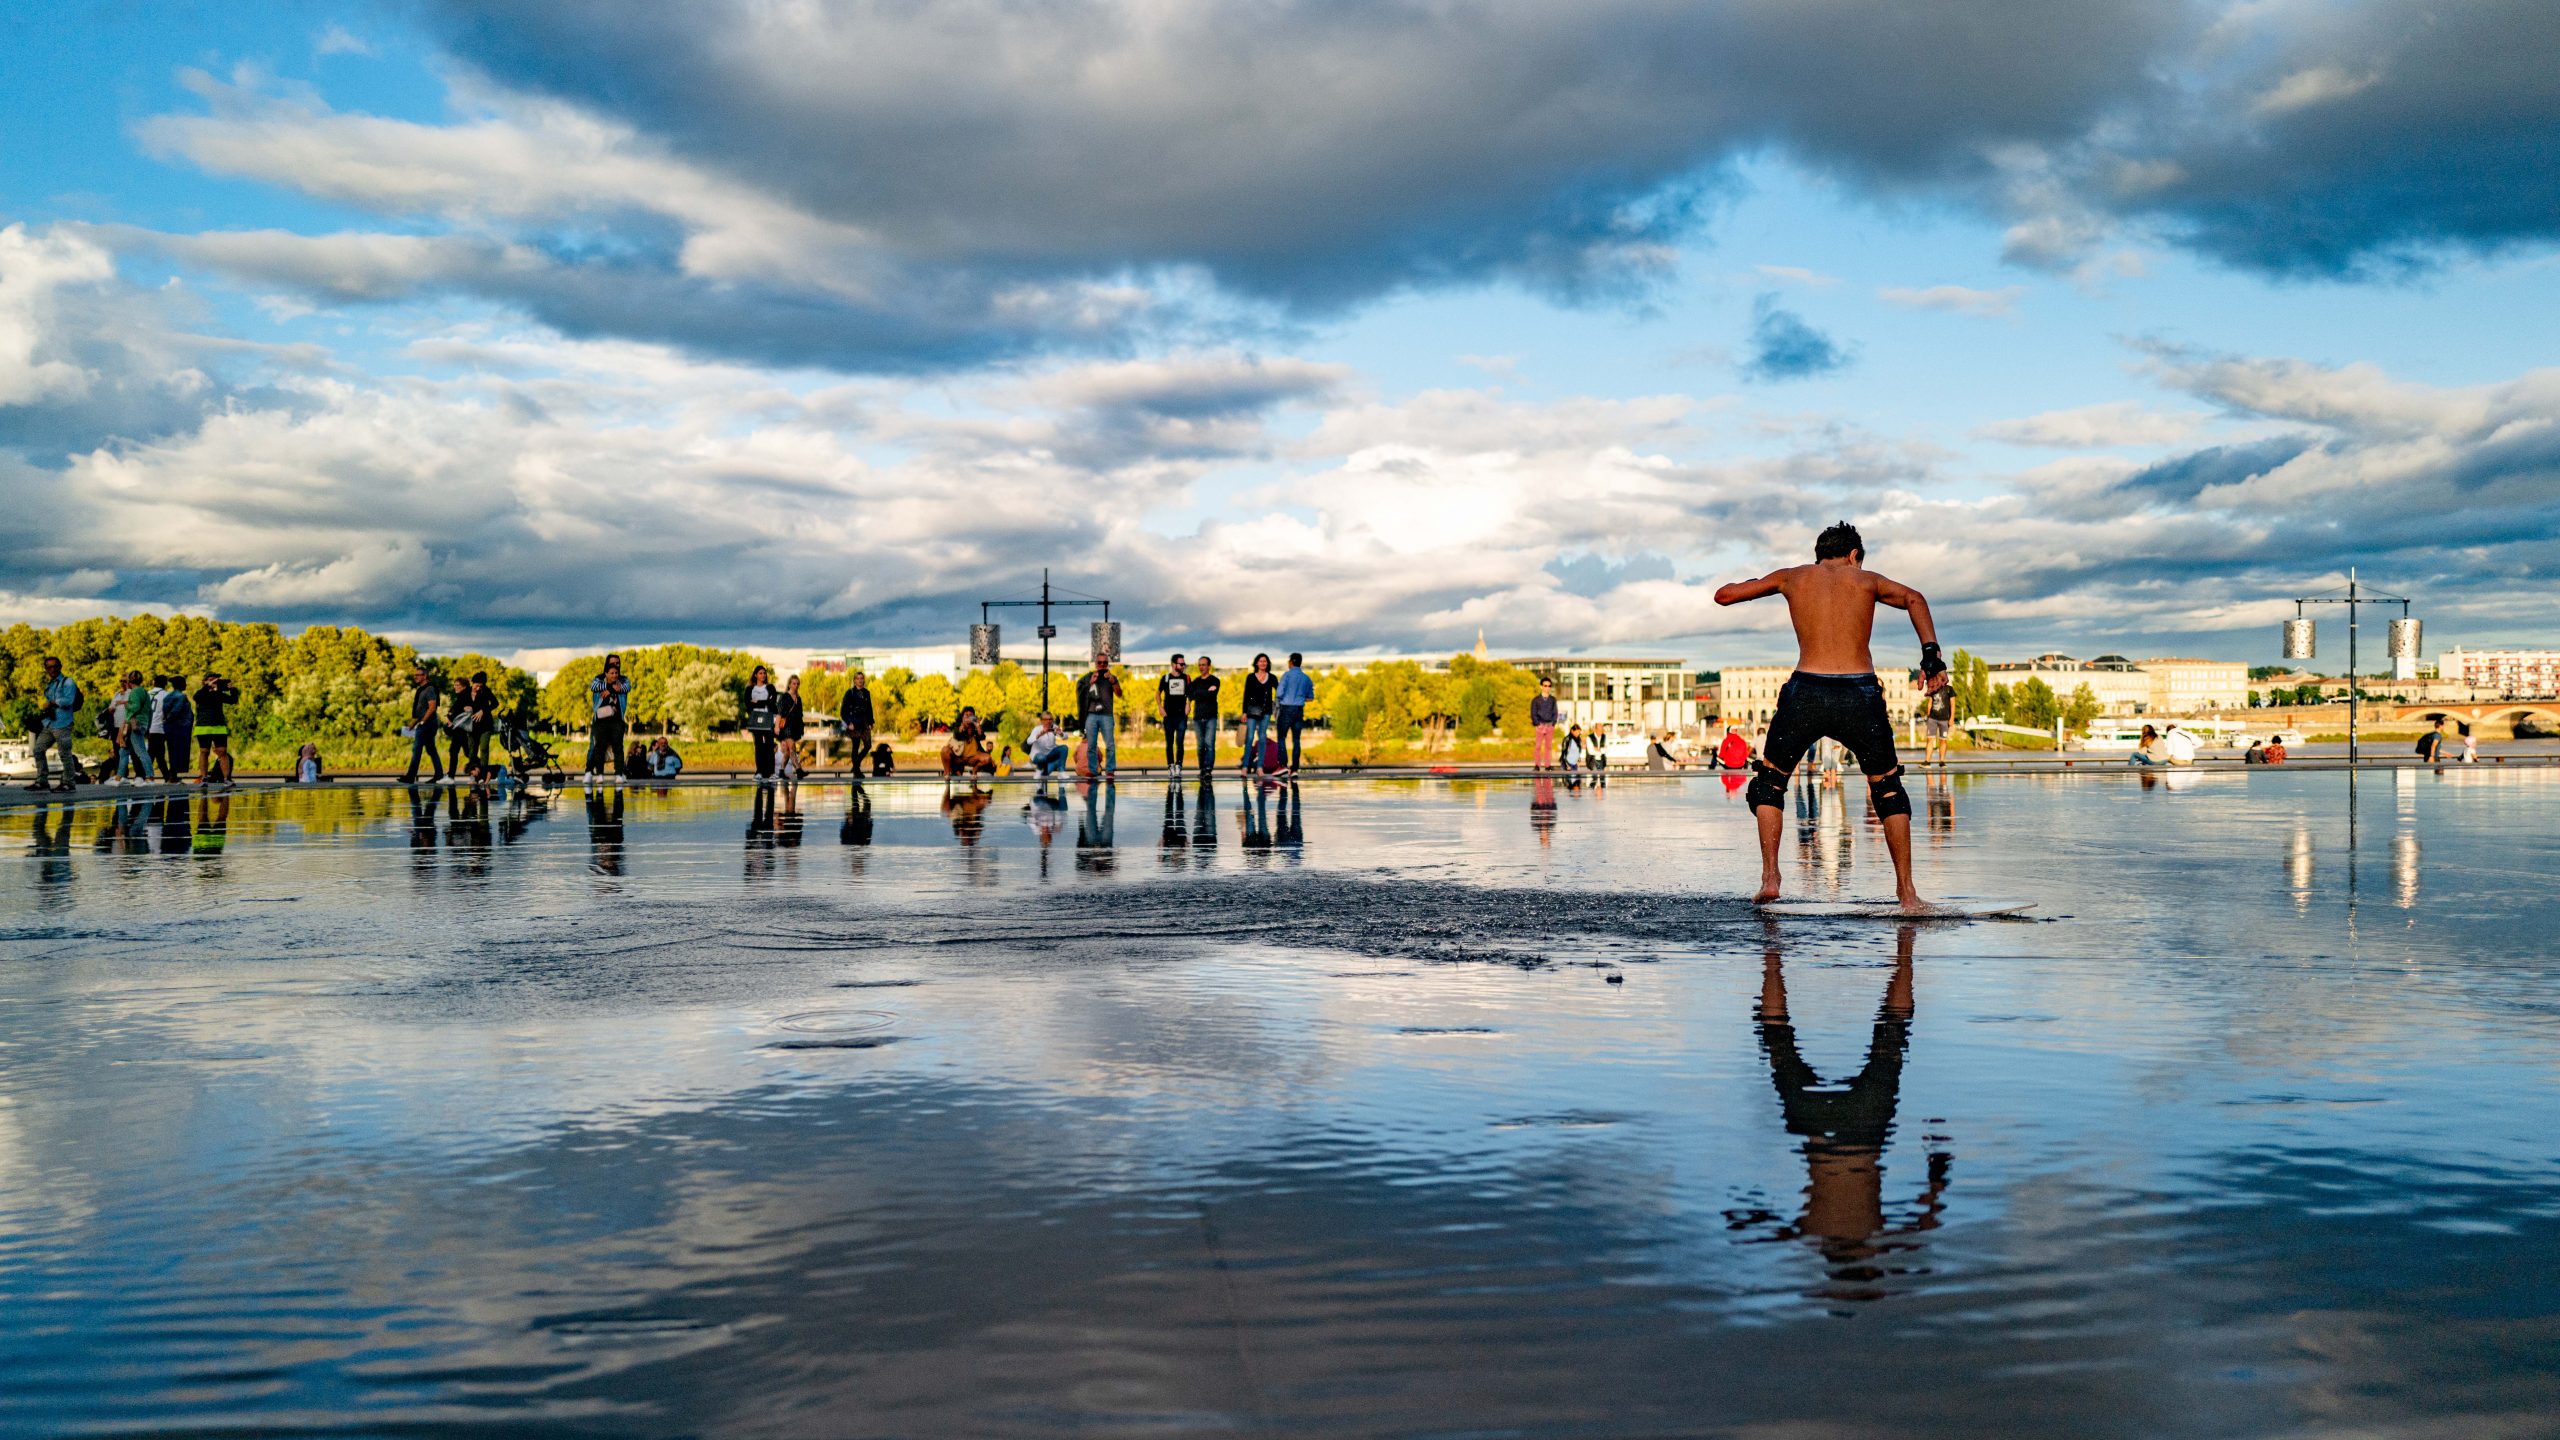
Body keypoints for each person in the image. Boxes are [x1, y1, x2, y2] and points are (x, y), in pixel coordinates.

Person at [1713, 520, 1943, 912]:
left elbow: (1724, 595)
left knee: (1769, 783)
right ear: (1854, 555)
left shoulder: (1792, 577)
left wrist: (1765, 583)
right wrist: (1931, 657)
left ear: (1818, 554)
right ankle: (1906, 892)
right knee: (1888, 789)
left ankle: (1771, 878)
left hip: (1807, 691)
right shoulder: (1867, 580)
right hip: (1859, 693)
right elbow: (1915, 598)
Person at [27, 655, 81, 793]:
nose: (53, 669)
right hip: (49, 723)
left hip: (63, 723)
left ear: (60, 666)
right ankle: (42, 781)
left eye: (55, 666)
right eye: (49, 667)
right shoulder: (50, 684)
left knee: (64, 754)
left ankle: (69, 783)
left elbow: (68, 700)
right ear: (46, 669)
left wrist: (52, 703)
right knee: (38, 750)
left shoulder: (68, 682)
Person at [585, 655, 631, 783]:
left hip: (616, 719)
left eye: (618, 663)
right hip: (600, 719)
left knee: (618, 747)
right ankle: (589, 771)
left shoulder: (623, 679)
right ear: (607, 667)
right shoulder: (598, 679)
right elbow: (594, 687)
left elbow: (626, 688)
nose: (616, 666)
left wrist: (610, 690)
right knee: (595, 746)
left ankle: (619, 773)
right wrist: (611, 687)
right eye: (613, 664)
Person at [1077, 653, 1121, 777]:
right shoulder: (1089, 677)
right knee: (1091, 745)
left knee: (1110, 744)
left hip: (1107, 715)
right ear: (1096, 664)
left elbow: (1119, 694)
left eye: (1105, 663)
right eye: (1100, 663)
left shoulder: (1112, 677)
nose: (1102, 665)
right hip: (1091, 715)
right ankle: (1092, 770)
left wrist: (1113, 682)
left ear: (1108, 664)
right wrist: (1091, 683)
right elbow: (1081, 693)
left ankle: (1110, 770)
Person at [193, 673, 239, 787]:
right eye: (210, 679)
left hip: (219, 726)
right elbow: (196, 697)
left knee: (222, 752)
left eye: (215, 680)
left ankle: (226, 779)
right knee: (204, 752)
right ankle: (204, 778)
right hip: (203, 726)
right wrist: (207, 686)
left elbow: (233, 700)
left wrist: (232, 689)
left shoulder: (219, 694)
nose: (213, 681)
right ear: (204, 681)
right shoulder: (201, 693)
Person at [401, 663, 445, 783]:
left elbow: (432, 707)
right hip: (424, 723)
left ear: (425, 676)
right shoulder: (421, 690)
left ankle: (410, 776)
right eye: (415, 675)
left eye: (418, 675)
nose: (415, 677)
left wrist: (422, 722)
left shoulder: (429, 689)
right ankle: (439, 774)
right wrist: (413, 724)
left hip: (428, 724)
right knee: (431, 750)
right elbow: (421, 710)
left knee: (417, 749)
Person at [1275, 651, 1315, 775]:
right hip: (1299, 710)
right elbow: (1310, 697)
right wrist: (1300, 697)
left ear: (1291, 662)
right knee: (1296, 740)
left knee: (1281, 738)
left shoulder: (1286, 676)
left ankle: (1283, 766)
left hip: (1286, 709)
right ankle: (1295, 769)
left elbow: (1279, 693)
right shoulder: (1306, 678)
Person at [1240, 654, 1277, 773]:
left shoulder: (1272, 677)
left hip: (1266, 711)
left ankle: (1260, 767)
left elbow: (1279, 691)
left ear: (1268, 663)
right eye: (1260, 661)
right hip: (1251, 711)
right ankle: (1245, 766)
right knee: (1250, 738)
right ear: (1256, 663)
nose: (1263, 663)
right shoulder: (1250, 677)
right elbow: (1246, 695)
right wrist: (1244, 712)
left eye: (1265, 661)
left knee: (1262, 738)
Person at [743, 665, 781, 781]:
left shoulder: (770, 687)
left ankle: (771, 773)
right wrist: (764, 702)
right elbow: (748, 704)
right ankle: (759, 772)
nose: (763, 675)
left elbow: (772, 702)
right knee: (759, 746)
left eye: (764, 673)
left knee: (769, 745)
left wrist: (757, 702)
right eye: (760, 673)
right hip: (756, 720)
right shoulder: (750, 689)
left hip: (768, 719)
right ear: (755, 675)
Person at [1187, 655, 1222, 774]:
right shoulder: (1196, 681)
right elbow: (1191, 695)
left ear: (1209, 666)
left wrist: (1199, 693)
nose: (1201, 667)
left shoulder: (1215, 680)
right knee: (1200, 745)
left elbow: (1211, 695)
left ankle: (1208, 769)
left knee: (1209, 744)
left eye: (1203, 665)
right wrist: (1205, 691)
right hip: (1197, 718)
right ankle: (1202, 768)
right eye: (1199, 665)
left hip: (1211, 717)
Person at [1157, 652, 1189, 770]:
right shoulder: (1165, 678)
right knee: (1169, 742)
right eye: (1181, 664)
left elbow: (1190, 693)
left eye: (1184, 664)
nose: (1183, 666)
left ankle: (1179, 765)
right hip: (1169, 715)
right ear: (1173, 664)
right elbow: (1158, 693)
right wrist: (1160, 706)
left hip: (1181, 715)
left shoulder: (1186, 677)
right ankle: (1170, 765)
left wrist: (1188, 704)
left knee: (1180, 742)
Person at [942, 705, 994, 777]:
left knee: (987, 758)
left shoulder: (975, 728)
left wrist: (977, 725)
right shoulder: (959, 726)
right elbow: (957, 734)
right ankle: (947, 774)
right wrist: (963, 725)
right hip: (959, 756)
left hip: (973, 757)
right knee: (944, 750)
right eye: (966, 715)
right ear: (962, 717)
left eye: (970, 715)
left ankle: (974, 771)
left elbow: (982, 737)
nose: (968, 717)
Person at [839, 671, 875, 775]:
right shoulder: (849, 693)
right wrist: (849, 722)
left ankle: (856, 764)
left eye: (861, 678)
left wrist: (871, 721)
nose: (860, 680)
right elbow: (843, 711)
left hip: (864, 723)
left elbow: (869, 708)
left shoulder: (867, 693)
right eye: (858, 678)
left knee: (868, 745)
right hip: (854, 723)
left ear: (864, 680)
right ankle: (857, 770)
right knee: (856, 745)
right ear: (854, 680)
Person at [161, 679, 192, 786]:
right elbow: (176, 711)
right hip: (179, 727)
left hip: (169, 728)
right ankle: (173, 777)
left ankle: (172, 776)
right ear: (181, 685)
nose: (186, 685)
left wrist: (166, 720)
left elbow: (165, 710)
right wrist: (169, 719)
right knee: (177, 752)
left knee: (171, 751)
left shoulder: (167, 697)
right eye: (184, 683)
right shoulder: (181, 697)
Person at [1919, 674, 1954, 768]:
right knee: (1930, 739)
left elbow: (1952, 704)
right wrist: (1928, 716)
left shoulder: (1949, 689)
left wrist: (1951, 718)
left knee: (1943, 741)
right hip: (1933, 718)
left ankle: (1942, 761)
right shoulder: (1933, 689)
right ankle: (1927, 761)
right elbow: (1930, 703)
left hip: (1944, 719)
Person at [1530, 677, 1559, 770]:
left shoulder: (1553, 699)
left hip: (1550, 725)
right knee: (1538, 746)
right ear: (1541, 687)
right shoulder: (1536, 700)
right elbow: (1533, 713)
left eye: (1549, 686)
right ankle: (1537, 765)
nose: (1547, 688)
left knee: (1548, 747)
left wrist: (1553, 723)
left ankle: (1547, 765)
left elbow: (1555, 712)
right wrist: (1537, 724)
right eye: (1545, 685)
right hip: (1540, 725)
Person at [777, 674, 807, 762]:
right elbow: (779, 712)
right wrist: (776, 726)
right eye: (794, 683)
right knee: (793, 748)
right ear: (789, 684)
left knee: (788, 751)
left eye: (797, 684)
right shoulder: (784, 697)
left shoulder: (799, 699)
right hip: (786, 727)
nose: (796, 685)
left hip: (795, 727)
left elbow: (800, 714)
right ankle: (799, 769)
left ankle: (781, 770)